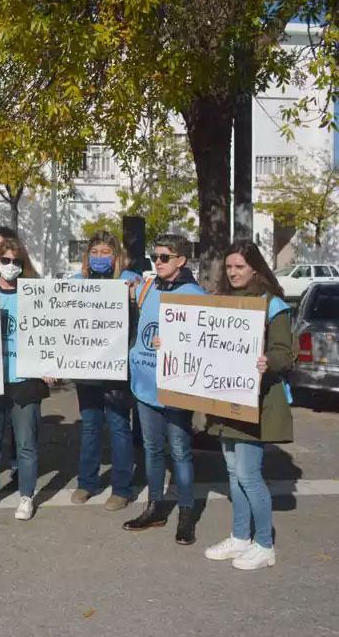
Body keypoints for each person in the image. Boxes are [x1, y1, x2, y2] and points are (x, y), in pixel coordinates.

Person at [203, 241, 293, 570]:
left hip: (258, 402)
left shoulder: (273, 305)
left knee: (248, 474)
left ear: (254, 267)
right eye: (229, 267)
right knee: (232, 471)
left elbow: (286, 352)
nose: (233, 272)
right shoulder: (223, 302)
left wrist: (268, 360)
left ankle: (264, 544)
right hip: (227, 399)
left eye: (239, 266)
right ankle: (240, 537)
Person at [124, 233, 205, 544]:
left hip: (174, 389)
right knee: (152, 450)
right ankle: (155, 507)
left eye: (163, 258)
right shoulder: (148, 288)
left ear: (181, 261)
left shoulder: (194, 294)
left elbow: (202, 342)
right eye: (154, 257)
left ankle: (186, 513)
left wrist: (174, 342)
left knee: (180, 451)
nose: (156, 262)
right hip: (144, 384)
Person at [0, 237, 50, 519]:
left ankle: (26, 496)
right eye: (6, 260)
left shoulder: (36, 294)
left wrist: (51, 363)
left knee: (26, 443)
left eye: (17, 261)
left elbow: (52, 332)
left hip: (26, 380)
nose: (11, 266)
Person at [70, 230, 139, 511]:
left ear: (116, 256)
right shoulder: (77, 283)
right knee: (90, 426)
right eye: (94, 253)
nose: (100, 258)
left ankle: (122, 489)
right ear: (87, 256)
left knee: (120, 427)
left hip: (116, 367)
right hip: (86, 367)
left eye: (106, 253)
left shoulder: (130, 282)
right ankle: (86, 483)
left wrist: (134, 298)